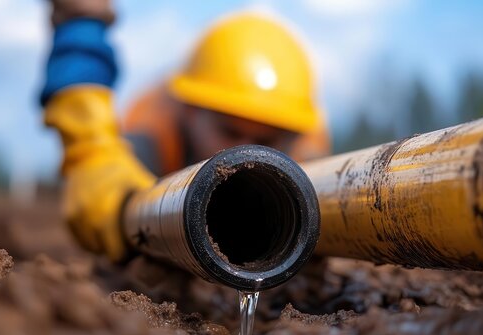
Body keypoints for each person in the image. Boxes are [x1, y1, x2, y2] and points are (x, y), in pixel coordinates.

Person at [40, 0, 330, 262]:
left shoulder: (307, 150)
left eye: (266, 140)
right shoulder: (148, 140)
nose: (247, 151)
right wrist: (91, 153)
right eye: (230, 131)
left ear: (292, 136)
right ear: (191, 112)